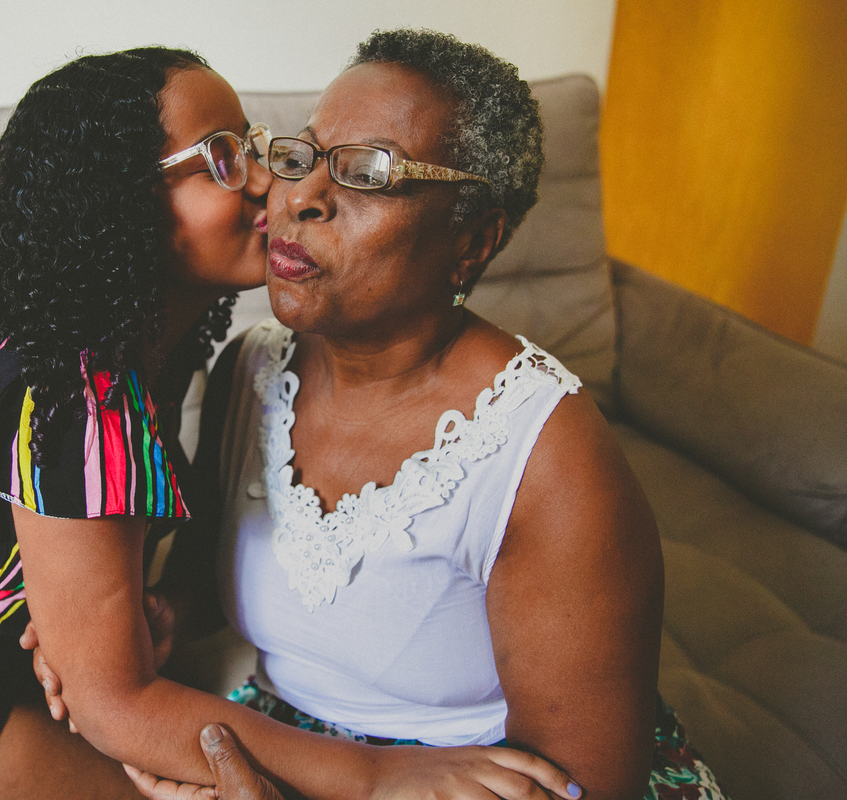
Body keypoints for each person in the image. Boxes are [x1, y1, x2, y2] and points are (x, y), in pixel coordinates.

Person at [0, 45, 581, 800]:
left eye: (260, 149)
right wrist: (381, 778)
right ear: (124, 205)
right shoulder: (76, 395)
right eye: (226, 158)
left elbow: (105, 614)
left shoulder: (153, 354)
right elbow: (117, 702)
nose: (273, 182)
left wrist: (136, 617)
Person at [36, 29, 727, 800]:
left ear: (472, 240)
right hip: (291, 746)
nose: (297, 198)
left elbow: (578, 785)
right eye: (302, 156)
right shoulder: (251, 370)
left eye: (367, 173)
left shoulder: (542, 453)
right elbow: (206, 580)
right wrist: (161, 616)